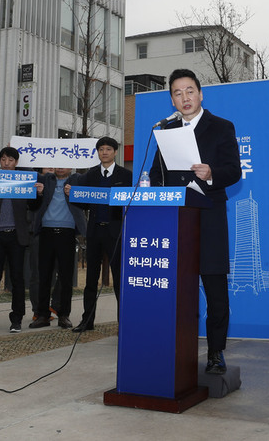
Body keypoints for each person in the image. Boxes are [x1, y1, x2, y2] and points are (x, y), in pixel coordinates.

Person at [149, 68, 242, 375]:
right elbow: (156, 174)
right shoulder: (167, 130)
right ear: (172, 99)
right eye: (178, 93)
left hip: (210, 216)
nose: (184, 98)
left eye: (190, 91)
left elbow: (234, 172)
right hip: (177, 219)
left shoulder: (221, 127)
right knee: (174, 287)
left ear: (200, 94)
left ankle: (216, 352)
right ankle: (172, 347)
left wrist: (211, 172)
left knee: (215, 289)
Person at [0, 146, 42, 334]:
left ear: (16, 163)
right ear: (0, 161)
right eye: (3, 159)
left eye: (10, 160)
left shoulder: (24, 180)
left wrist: (38, 193)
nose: (6, 163)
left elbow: (34, 205)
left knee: (17, 279)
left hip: (17, 235)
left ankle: (17, 319)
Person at [73, 137, 132, 332]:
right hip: (95, 230)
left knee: (119, 278)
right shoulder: (90, 175)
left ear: (115, 152)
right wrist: (71, 194)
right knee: (91, 279)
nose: (104, 152)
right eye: (101, 149)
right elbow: (83, 203)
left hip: (116, 232)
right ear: (97, 152)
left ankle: (123, 322)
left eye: (108, 149)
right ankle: (87, 321)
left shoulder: (126, 175)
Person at [31, 166, 87, 329]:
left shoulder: (77, 180)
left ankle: (64, 315)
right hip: (46, 232)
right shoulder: (45, 179)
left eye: (64, 163)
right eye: (57, 163)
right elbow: (25, 175)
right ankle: (42, 315)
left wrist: (75, 193)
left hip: (67, 233)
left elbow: (87, 198)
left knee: (66, 277)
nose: (61, 167)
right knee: (44, 276)